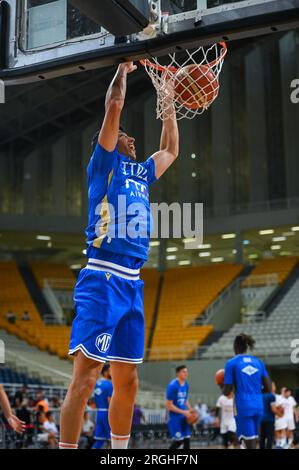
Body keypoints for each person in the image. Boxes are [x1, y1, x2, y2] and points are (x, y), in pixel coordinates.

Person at [59, 60, 179, 450]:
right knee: (88, 376)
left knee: (127, 380)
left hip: (132, 282)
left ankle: (119, 453)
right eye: (126, 137)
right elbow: (113, 106)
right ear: (110, 141)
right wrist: (124, 71)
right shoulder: (104, 164)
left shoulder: (142, 173)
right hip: (102, 276)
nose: (132, 141)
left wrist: (169, 100)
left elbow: (171, 149)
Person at [222, 333, 271, 449]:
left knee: (248, 443)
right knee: (252, 439)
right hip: (258, 405)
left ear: (235, 346)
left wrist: (221, 385)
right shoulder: (259, 362)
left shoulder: (231, 363)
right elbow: (268, 388)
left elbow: (226, 391)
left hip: (243, 406)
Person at [166, 365, 194, 449]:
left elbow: (185, 400)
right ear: (177, 374)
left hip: (184, 417)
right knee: (179, 441)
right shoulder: (172, 386)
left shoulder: (186, 385)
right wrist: (184, 412)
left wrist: (190, 410)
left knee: (187, 440)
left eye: (186, 371)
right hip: (174, 417)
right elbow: (169, 405)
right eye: (183, 372)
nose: (186, 373)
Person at [93, 364, 113, 449]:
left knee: (99, 441)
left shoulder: (97, 383)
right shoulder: (109, 385)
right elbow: (110, 401)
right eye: (110, 371)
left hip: (98, 413)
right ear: (105, 373)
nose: (112, 372)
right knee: (113, 440)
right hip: (107, 413)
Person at [260, 382, 277, 449]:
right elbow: (273, 409)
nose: (274, 387)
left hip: (261, 419)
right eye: (273, 386)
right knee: (270, 437)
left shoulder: (261, 395)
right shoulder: (271, 396)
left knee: (262, 437)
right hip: (269, 419)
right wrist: (280, 414)